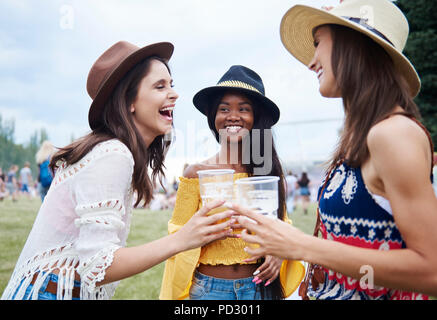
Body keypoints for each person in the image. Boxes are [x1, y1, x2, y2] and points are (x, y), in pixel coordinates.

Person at [233, 0, 437, 300]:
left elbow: (431, 271)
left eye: (318, 44)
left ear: (352, 44)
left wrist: (300, 245)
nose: (311, 61)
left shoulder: (393, 133)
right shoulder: (363, 134)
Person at [1, 41, 235, 300]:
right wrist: (182, 239)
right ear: (128, 100)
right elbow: (99, 267)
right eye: (160, 86)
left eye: (171, 84)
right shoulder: (113, 154)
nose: (174, 94)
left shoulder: (116, 152)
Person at [159, 65, 304, 300]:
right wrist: (202, 231)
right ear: (213, 117)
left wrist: (278, 251)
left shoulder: (266, 172)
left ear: (256, 117)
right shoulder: (196, 173)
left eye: (243, 109)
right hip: (210, 290)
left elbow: (282, 222)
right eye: (224, 109)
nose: (233, 116)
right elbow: (177, 232)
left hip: (260, 286)